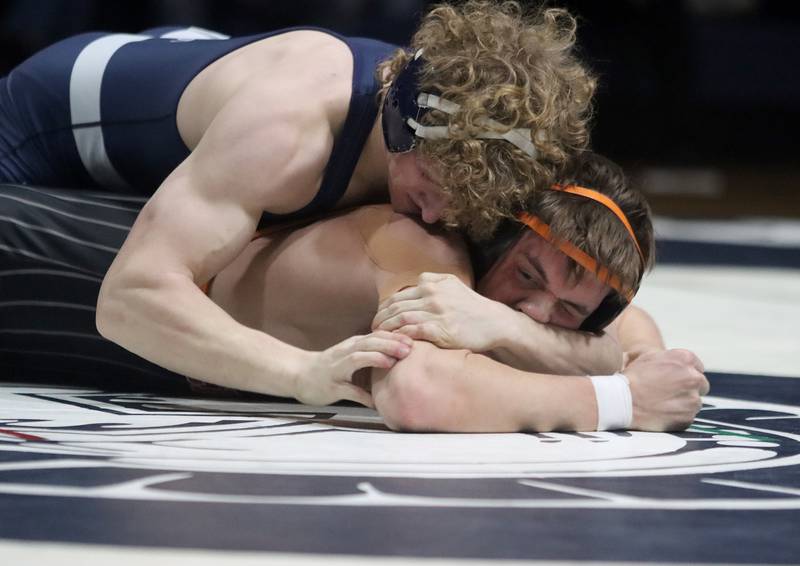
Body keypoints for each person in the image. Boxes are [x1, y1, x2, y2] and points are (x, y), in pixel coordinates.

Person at [0, 2, 596, 392]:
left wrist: (520, 333)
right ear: (400, 124)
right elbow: (129, 300)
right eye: (431, 189)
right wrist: (299, 373)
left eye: (465, 206)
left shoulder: (463, 153)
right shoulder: (290, 128)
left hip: (189, 102)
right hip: (37, 131)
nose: (439, 217)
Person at [0, 151, 709, 431]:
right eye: (526, 275)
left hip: (152, 324)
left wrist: (625, 358)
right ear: (493, 237)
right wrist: (619, 402)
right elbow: (419, 392)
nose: (537, 311)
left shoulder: (508, 305)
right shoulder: (424, 252)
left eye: (569, 310)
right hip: (88, 272)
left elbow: (626, 328)